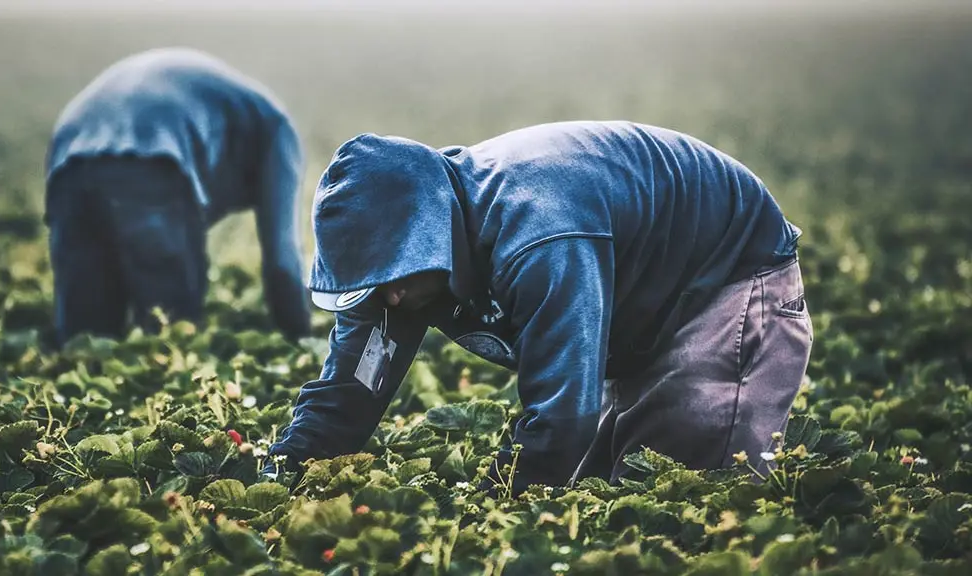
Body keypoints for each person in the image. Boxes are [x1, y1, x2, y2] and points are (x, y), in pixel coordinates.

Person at [263, 121, 813, 495]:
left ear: (429, 236)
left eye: (396, 277)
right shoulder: (399, 275)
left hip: (728, 274)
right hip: (636, 300)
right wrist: (279, 475)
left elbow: (563, 413)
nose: (391, 300)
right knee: (611, 492)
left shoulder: (539, 233)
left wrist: (492, 506)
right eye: (372, 283)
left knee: (687, 487)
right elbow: (350, 392)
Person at [44, 47, 310, 346]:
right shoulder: (280, 132)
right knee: (170, 332)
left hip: (69, 150)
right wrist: (299, 337)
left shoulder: (237, 115)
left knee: (85, 340)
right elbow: (282, 258)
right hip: (151, 152)